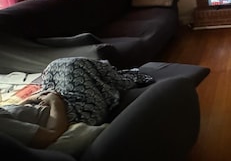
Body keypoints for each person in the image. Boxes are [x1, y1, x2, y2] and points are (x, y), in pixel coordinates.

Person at [0, 57, 153, 149]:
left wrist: (30, 99)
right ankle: (122, 80)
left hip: (54, 106)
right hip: (74, 114)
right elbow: (51, 135)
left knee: (53, 68)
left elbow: (17, 115)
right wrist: (54, 101)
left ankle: (111, 77)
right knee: (72, 65)